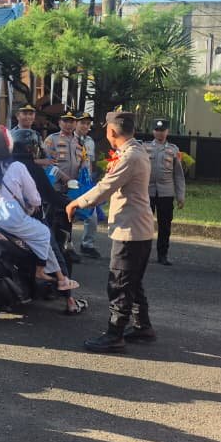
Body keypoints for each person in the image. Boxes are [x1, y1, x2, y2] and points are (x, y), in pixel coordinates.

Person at [66, 111, 156, 353]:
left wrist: (77, 203)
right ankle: (141, 326)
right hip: (137, 228)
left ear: (112, 132)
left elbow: (106, 186)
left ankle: (115, 334)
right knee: (132, 282)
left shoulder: (131, 156)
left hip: (131, 231)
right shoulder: (135, 151)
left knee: (119, 283)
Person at [0, 125, 80, 292]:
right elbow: (35, 198)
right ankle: (40, 271)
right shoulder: (17, 167)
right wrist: (32, 206)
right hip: (10, 218)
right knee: (43, 233)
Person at [10, 129, 88, 315]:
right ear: (31, 148)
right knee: (54, 250)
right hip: (26, 219)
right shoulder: (30, 168)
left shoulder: (2, 164)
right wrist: (71, 203)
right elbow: (45, 196)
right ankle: (69, 299)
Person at [145, 118, 186, 266]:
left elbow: (179, 175)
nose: (159, 133)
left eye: (162, 130)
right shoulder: (145, 147)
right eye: (157, 130)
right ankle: (144, 253)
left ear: (167, 131)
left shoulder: (173, 150)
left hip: (166, 193)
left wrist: (180, 196)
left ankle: (163, 254)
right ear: (153, 131)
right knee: (145, 224)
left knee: (165, 225)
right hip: (147, 191)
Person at [75, 111, 102, 258]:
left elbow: (90, 163)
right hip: (71, 181)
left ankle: (87, 244)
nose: (85, 126)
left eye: (87, 123)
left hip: (86, 182)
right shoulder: (68, 139)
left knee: (92, 215)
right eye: (82, 123)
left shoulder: (90, 141)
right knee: (67, 216)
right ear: (75, 123)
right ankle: (66, 246)